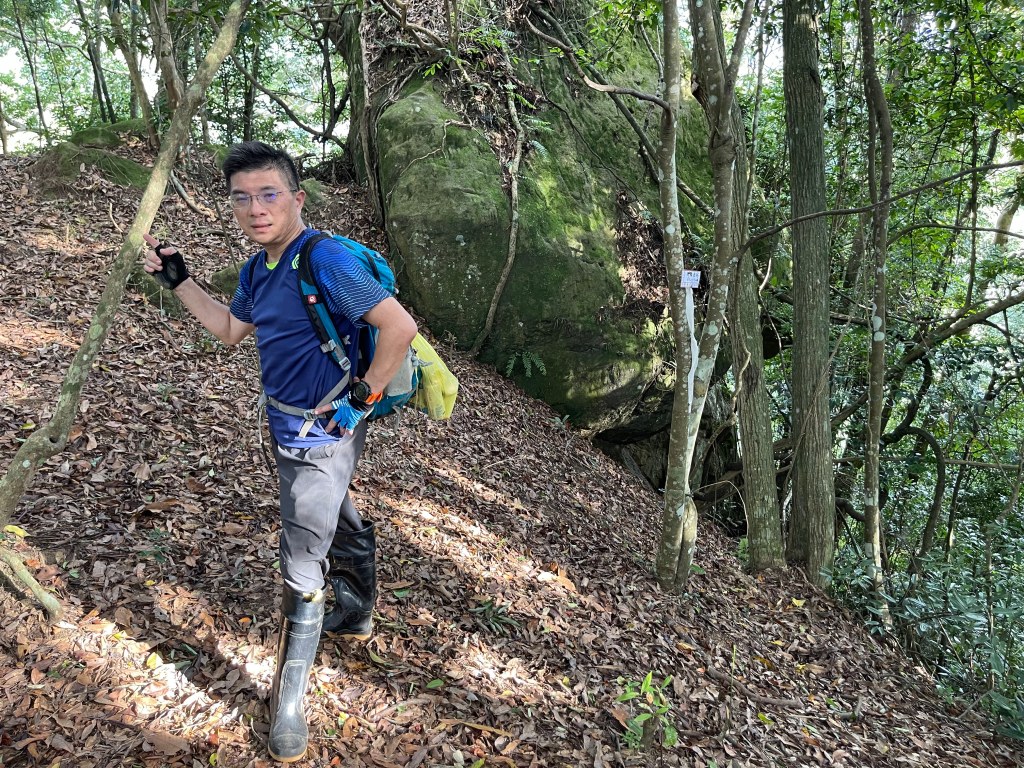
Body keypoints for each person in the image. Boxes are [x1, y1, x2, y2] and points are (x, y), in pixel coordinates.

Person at [142, 141, 417, 763]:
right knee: (326, 508)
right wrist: (179, 281)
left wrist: (361, 399)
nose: (256, 208)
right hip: (287, 423)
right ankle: (359, 610)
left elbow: (399, 328)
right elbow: (230, 329)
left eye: (269, 194)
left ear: (297, 198)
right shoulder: (257, 269)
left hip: (322, 431)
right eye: (242, 198)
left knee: (300, 555)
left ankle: (288, 701)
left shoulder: (326, 259)